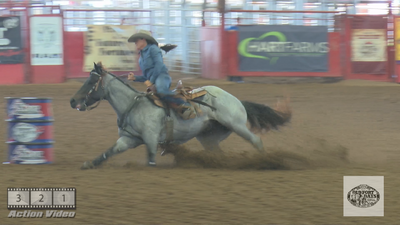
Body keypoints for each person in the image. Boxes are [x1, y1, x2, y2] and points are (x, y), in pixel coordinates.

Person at [127, 30, 196, 119]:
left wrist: (151, 81)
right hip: (154, 80)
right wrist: (134, 78)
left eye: (136, 41)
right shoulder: (141, 57)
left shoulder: (153, 49)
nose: (135, 43)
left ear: (143, 39)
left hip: (162, 76)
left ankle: (185, 105)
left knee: (161, 91)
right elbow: (145, 76)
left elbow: (159, 65)